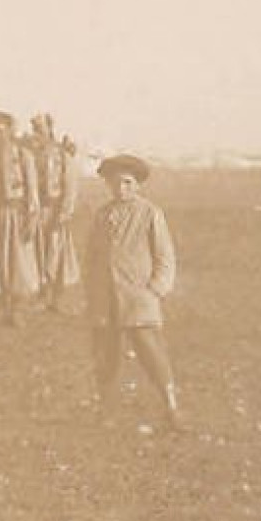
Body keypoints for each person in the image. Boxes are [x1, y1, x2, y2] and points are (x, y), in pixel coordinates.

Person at [86, 153, 181, 429]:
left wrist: (155, 290)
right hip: (105, 297)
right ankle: (107, 412)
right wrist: (92, 291)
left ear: (137, 185)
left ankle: (171, 407)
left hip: (138, 296)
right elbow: (91, 257)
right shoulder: (102, 215)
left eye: (127, 183)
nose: (121, 189)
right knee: (106, 355)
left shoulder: (150, 213)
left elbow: (165, 256)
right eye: (115, 184)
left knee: (151, 352)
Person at [0, 110, 42, 325]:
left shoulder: (23, 156)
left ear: (9, 131)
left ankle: (17, 308)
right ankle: (1, 305)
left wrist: (31, 218)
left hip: (17, 214)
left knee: (17, 261)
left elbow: (32, 191)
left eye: (0, 131)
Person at [31, 113, 81, 311]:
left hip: (56, 208)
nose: (38, 133)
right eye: (35, 129)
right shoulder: (34, 154)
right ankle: (43, 295)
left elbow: (70, 185)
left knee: (56, 253)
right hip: (39, 209)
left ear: (50, 129)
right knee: (39, 252)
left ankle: (56, 298)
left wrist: (65, 211)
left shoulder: (62, 155)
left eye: (41, 129)